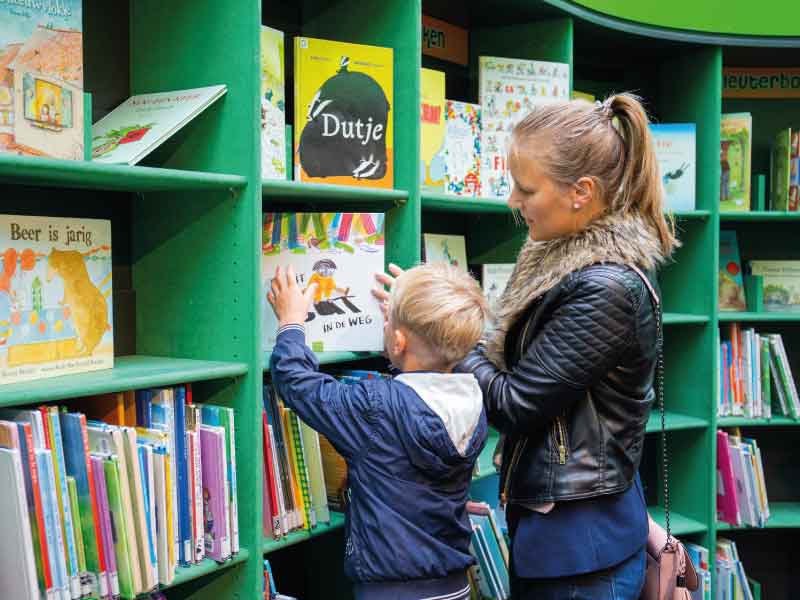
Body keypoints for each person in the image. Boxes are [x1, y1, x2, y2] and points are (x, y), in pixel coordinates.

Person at [376, 93, 676, 600]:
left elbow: (515, 404)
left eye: (525, 188)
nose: (513, 201)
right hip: (569, 535)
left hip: (581, 553)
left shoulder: (603, 289)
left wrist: (440, 331)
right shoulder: (561, 259)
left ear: (581, 191)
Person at [268, 262, 490, 600]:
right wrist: (413, 322)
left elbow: (298, 385)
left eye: (389, 322)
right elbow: (419, 380)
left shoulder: (375, 406)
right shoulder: (473, 400)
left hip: (391, 590)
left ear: (399, 341)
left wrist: (291, 322)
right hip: (454, 586)